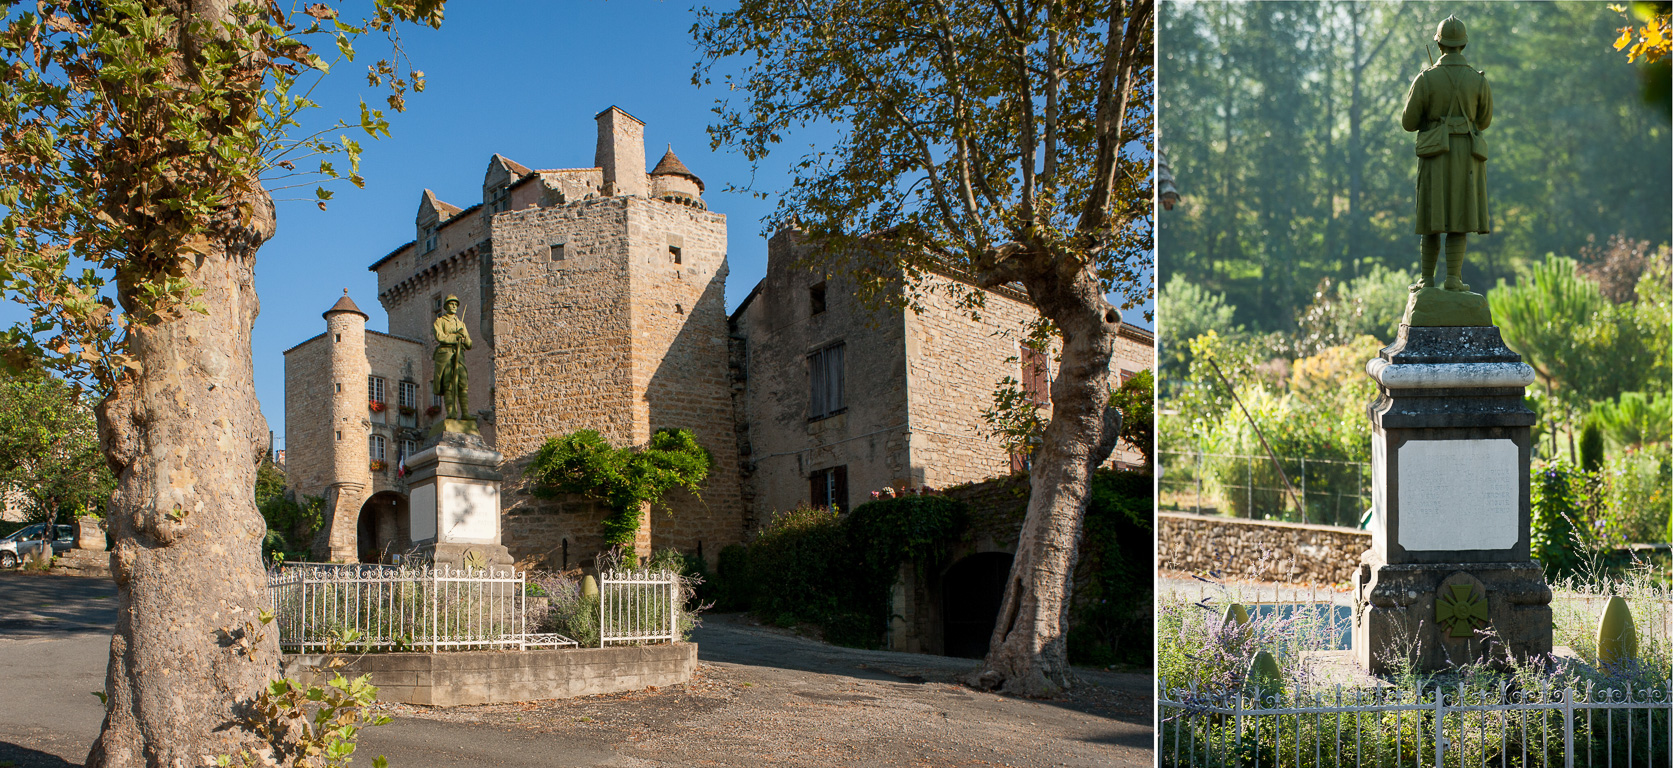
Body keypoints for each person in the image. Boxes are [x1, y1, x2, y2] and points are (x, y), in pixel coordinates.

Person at [1400, 15, 1492, 292]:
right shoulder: (1478, 80)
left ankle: (1427, 279)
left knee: (1432, 216)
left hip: (1435, 153)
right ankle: (1453, 279)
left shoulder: (1426, 78)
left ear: (1438, 44)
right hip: (1466, 155)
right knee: (1459, 216)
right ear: (1463, 44)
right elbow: (1484, 121)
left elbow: (1408, 122)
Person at [431, 295, 472, 421]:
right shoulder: (440, 321)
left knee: (462, 384)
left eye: (455, 304)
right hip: (446, 355)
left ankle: (465, 413)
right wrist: (455, 337)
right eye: (451, 304)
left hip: (459, 356)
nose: (454, 306)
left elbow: (469, 344)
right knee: (448, 384)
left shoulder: (461, 324)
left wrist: (463, 338)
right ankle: (451, 413)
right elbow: (440, 337)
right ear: (446, 306)